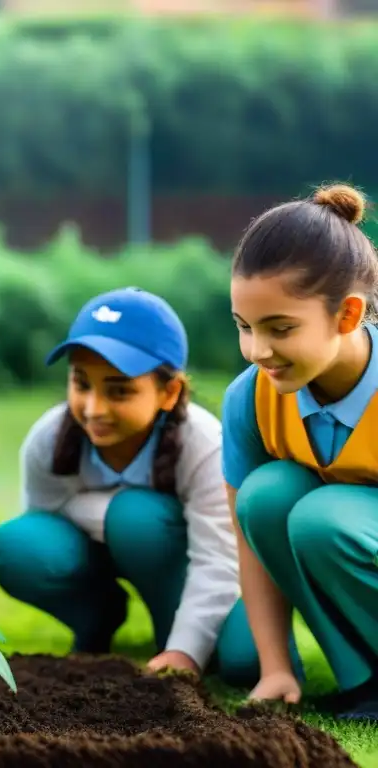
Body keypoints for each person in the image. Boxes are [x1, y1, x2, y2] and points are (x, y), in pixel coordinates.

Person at [0, 287, 260, 686]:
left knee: (244, 661)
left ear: (170, 392)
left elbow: (218, 559)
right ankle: (97, 614)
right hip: (104, 554)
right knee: (19, 546)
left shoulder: (203, 443)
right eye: (81, 384)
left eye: (119, 390)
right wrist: (110, 513)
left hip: (191, 564)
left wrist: (185, 650)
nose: (94, 408)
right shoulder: (49, 437)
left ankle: (173, 630)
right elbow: (46, 528)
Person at [223, 183, 378, 721]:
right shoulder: (250, 397)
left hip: (340, 532)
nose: (257, 351)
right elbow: (248, 537)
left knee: (321, 517)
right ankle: (360, 680)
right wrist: (274, 667)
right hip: (344, 543)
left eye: (280, 329)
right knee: (266, 496)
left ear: (347, 314)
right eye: (244, 326)